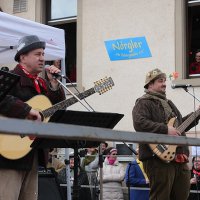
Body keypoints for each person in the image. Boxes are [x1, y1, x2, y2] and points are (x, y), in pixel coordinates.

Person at [0, 35, 65, 200]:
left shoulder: (42, 84)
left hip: (33, 152)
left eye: (43, 54)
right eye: (37, 54)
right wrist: (26, 109)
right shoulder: (10, 78)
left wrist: (54, 85)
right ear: (23, 57)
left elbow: (54, 109)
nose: (43, 58)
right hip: (8, 155)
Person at [132, 68, 200, 200]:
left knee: (182, 196)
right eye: (160, 81)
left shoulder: (169, 103)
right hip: (157, 158)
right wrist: (165, 129)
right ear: (149, 84)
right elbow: (139, 123)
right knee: (160, 197)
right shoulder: (143, 102)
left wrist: (197, 114)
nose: (164, 83)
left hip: (179, 158)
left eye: (164, 81)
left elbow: (180, 126)